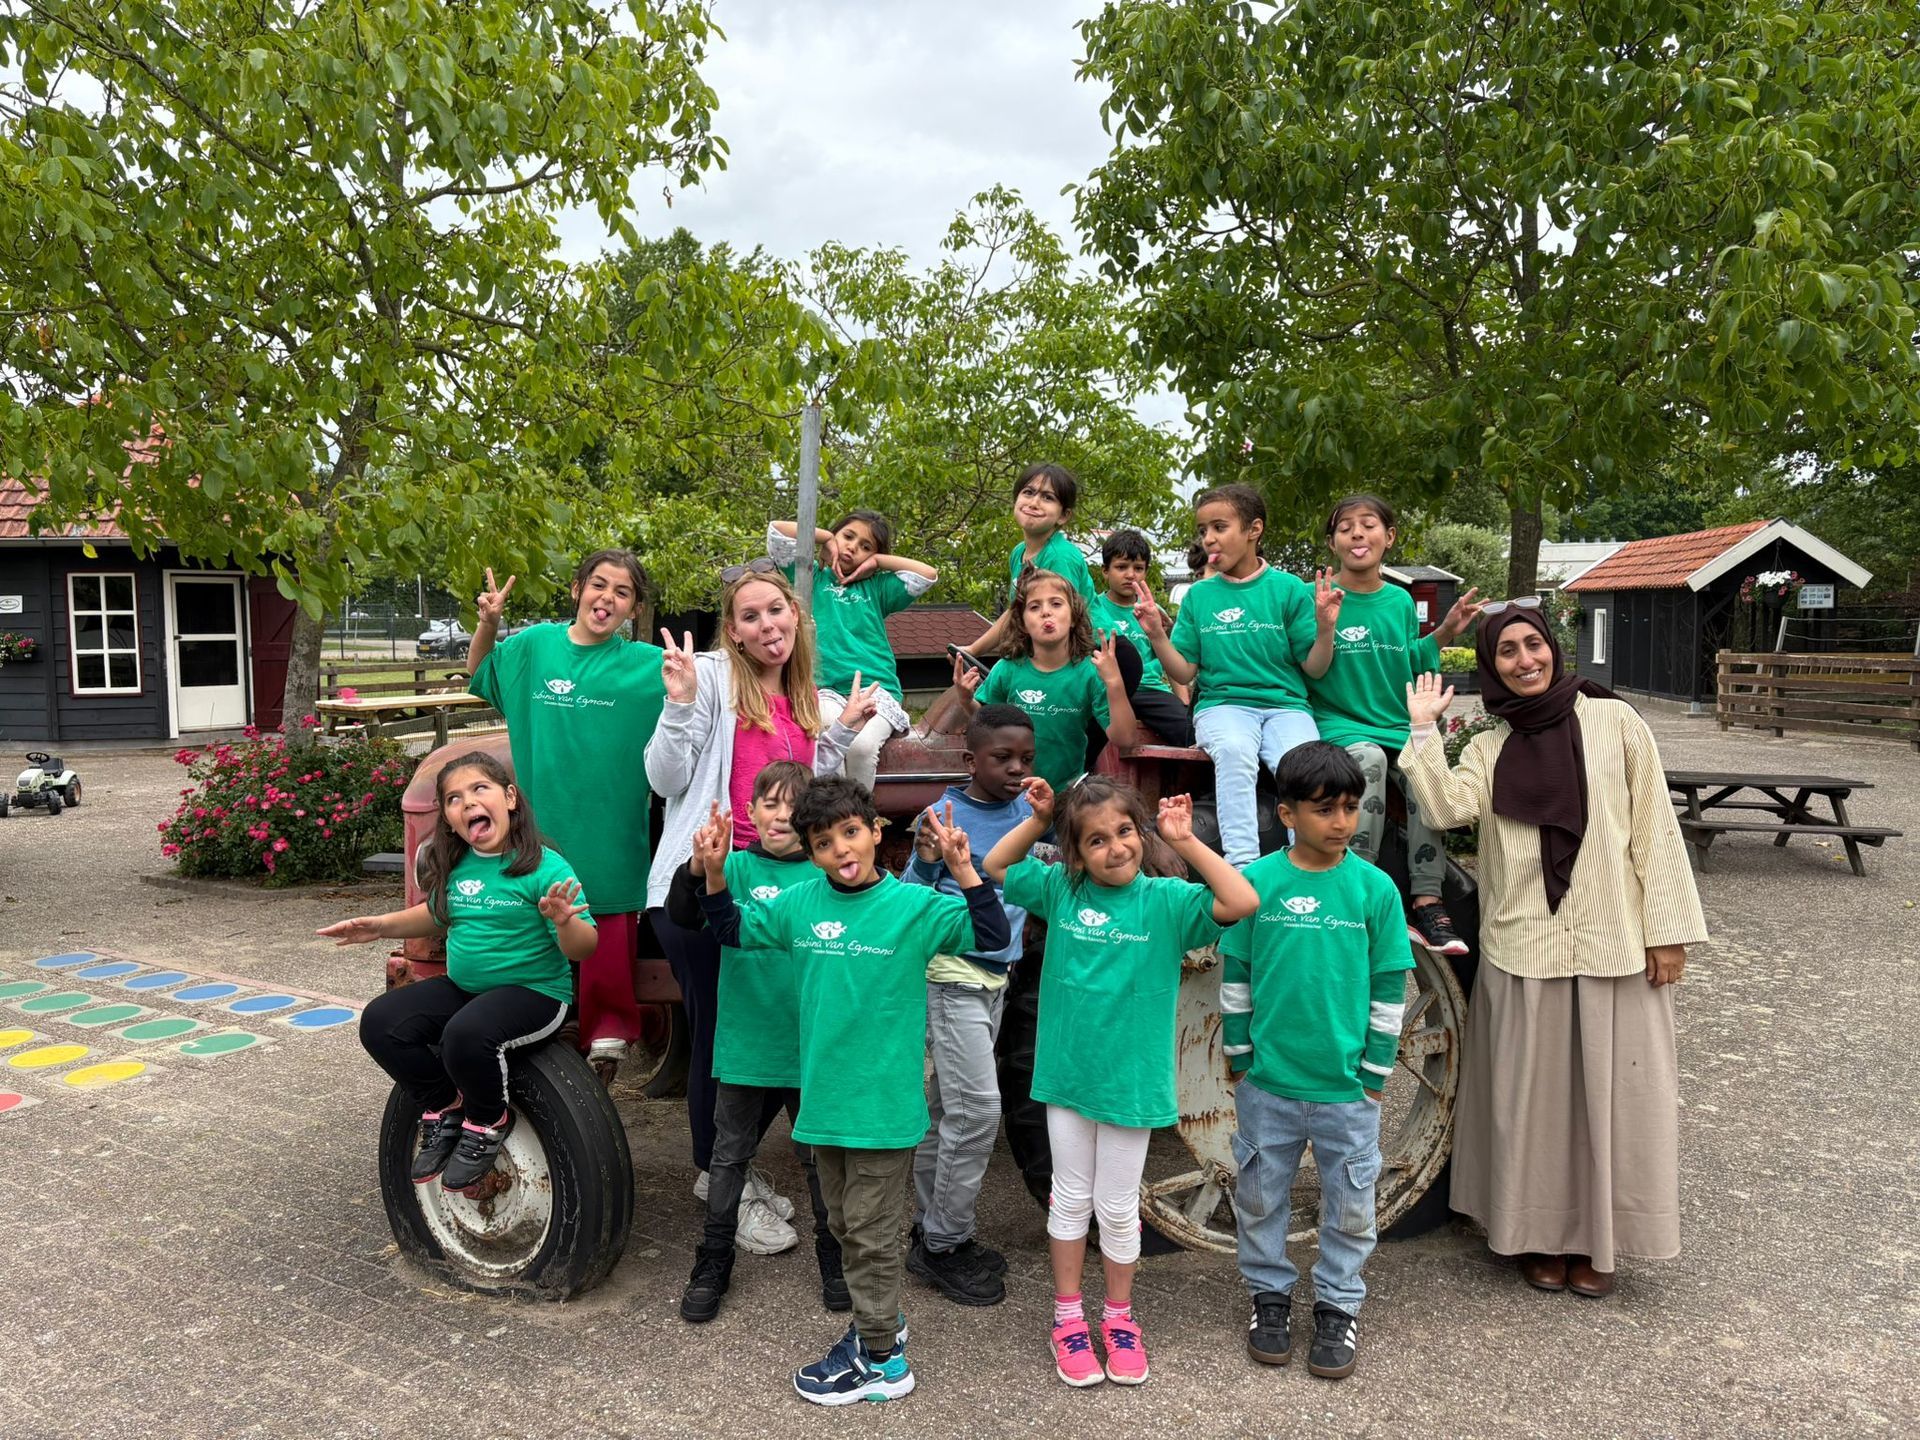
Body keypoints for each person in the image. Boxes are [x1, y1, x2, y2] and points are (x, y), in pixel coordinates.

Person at [1402, 604, 1707, 1298]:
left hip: (1612, 939)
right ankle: (1536, 1235)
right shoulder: (1490, 744)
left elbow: (1654, 827)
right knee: (1532, 1104)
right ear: (1492, 665)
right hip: (1525, 945)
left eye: (1532, 644)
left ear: (1553, 648)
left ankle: (1602, 1240)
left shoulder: (1616, 722)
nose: (1524, 660)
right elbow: (1447, 809)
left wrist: (1667, 932)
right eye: (1506, 651)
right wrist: (1423, 730)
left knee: (1615, 1099)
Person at [701, 778, 1011, 1406]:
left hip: (884, 1109)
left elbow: (991, 935)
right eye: (823, 842)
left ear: (875, 830)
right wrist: (712, 872)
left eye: (850, 832)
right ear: (811, 852)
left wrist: (964, 869)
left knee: (870, 1234)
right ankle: (883, 1321)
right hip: (825, 1105)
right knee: (845, 1224)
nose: (840, 849)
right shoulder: (800, 904)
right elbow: (731, 929)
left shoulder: (914, 908)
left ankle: (881, 1359)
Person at [983, 775, 1257, 1388]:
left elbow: (1241, 901)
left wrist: (1184, 842)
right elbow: (997, 865)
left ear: (1141, 832)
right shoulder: (1060, 889)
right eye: (1097, 840)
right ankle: (1067, 1317)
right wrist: (1039, 820)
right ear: (1077, 855)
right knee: (1070, 1199)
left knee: (1116, 1205)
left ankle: (1119, 1316)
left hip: (1133, 1083)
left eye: (1125, 831)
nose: (1116, 847)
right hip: (1068, 1077)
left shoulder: (1167, 901)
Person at [644, 563, 870, 1253]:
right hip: (706, 886)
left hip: (777, 893)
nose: (767, 624)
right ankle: (719, 1181)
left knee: (769, 1031)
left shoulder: (806, 699)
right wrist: (679, 702)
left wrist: (841, 732)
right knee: (722, 1041)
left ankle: (729, 1167)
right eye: (750, 616)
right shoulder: (712, 680)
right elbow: (664, 777)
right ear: (733, 632)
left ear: (796, 615)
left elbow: (800, 796)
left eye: (776, 609)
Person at [1222, 742, 1415, 1382]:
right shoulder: (1257, 884)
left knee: (1352, 1207)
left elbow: (1389, 987)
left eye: (1351, 808)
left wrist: (1375, 1074)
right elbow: (1237, 975)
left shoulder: (1374, 889)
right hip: (1268, 1086)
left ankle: (1338, 1304)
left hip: (1347, 1092)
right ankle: (1268, 1296)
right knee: (1259, 1199)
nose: (1342, 822)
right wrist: (1241, 1058)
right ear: (1287, 814)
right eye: (1324, 809)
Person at [330, 752, 594, 1192]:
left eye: (479, 789)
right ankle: (444, 1104)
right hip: (466, 988)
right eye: (454, 798)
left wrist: (566, 922)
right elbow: (436, 915)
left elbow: (585, 947)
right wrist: (378, 927)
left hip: (535, 993)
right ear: (450, 820)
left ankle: (488, 1121)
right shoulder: (458, 865)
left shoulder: (545, 867)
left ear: (510, 798)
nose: (467, 801)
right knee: (381, 1022)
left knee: (465, 1033)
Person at [465, 551, 663, 1072]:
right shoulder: (533, 646)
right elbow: (481, 672)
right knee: (536, 919)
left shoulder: (649, 665)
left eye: (622, 592)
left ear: (634, 608)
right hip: (541, 822)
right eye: (599, 584)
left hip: (611, 826)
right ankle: (537, 1025)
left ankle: (609, 1037)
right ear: (577, 589)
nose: (608, 598)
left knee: (607, 920)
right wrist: (488, 625)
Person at [668, 764, 845, 1323]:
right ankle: (713, 1259)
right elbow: (680, 916)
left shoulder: (826, 874)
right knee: (729, 1156)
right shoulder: (734, 868)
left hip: (810, 1046)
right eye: (770, 803)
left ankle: (834, 1257)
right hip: (746, 1041)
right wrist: (699, 867)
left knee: (819, 1159)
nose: (782, 816)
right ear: (750, 812)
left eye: (794, 806)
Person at [900, 705, 1038, 1308]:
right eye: (1001, 758)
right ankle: (944, 1244)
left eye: (1025, 758)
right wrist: (929, 859)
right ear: (970, 760)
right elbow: (909, 903)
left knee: (945, 1110)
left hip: (996, 980)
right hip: (952, 977)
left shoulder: (1030, 812)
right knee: (978, 1112)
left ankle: (931, 1228)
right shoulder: (941, 815)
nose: (1015, 769)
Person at [1306, 494, 1483, 953]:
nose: (1357, 533)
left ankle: (1428, 900)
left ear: (1389, 537)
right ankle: (1358, 883)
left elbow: (1408, 659)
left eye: (1368, 524)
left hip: (1394, 724)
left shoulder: (1401, 601)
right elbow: (1312, 669)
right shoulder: (1316, 596)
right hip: (1340, 723)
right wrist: (1325, 625)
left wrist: (1445, 632)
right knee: (1369, 761)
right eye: (1345, 526)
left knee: (1423, 773)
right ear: (1332, 542)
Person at [1132, 484, 1333, 866]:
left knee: (1304, 765)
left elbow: (1315, 667)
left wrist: (1325, 629)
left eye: (1219, 527)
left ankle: (1309, 865)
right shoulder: (1199, 596)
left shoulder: (1288, 589)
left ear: (1253, 529)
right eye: (1203, 530)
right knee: (1235, 751)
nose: (1208, 538)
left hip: (1286, 707)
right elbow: (1183, 671)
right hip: (1223, 706)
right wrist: (1157, 635)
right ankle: (1242, 868)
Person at [768, 511, 938, 791]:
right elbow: (778, 531)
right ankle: (831, 811)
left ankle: (858, 813)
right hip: (825, 689)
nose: (853, 548)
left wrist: (878, 562)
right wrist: (826, 538)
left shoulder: (877, 588)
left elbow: (927, 574)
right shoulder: (809, 577)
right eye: (848, 536)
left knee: (862, 747)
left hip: (874, 689)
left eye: (865, 546)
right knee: (826, 735)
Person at [954, 568, 1137, 797]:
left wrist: (1114, 683)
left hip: (1065, 797)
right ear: (1022, 623)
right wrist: (966, 700)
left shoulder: (1090, 672)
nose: (1046, 612)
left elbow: (1125, 739)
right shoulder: (1008, 669)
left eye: (1056, 604)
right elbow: (986, 723)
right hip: (1012, 797)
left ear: (1074, 617)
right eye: (1034, 607)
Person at [966, 463, 1098, 658]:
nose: (1034, 502)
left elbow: (1061, 623)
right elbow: (1015, 612)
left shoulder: (1059, 556)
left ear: (1063, 515)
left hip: (1092, 652)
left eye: (1048, 497)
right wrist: (972, 650)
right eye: (1028, 492)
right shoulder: (1018, 552)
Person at [1091, 529, 1194, 747]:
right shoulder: (1095, 610)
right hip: (1107, 690)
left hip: (1149, 690)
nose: (1130, 575)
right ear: (1105, 571)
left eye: (1138, 568)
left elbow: (1169, 659)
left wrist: (1182, 701)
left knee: (1188, 730)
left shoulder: (1151, 611)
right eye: (1121, 567)